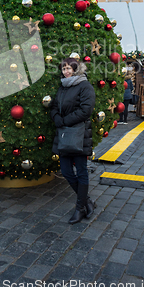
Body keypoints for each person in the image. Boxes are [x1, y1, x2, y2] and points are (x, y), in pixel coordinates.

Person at [50, 57, 96, 224]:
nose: (66, 71)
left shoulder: (85, 86)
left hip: (79, 135)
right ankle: (87, 201)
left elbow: (86, 110)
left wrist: (65, 121)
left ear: (76, 69)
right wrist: (56, 118)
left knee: (81, 171)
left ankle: (80, 208)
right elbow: (54, 106)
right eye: (64, 69)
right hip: (63, 135)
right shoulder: (63, 86)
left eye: (69, 68)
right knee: (67, 171)